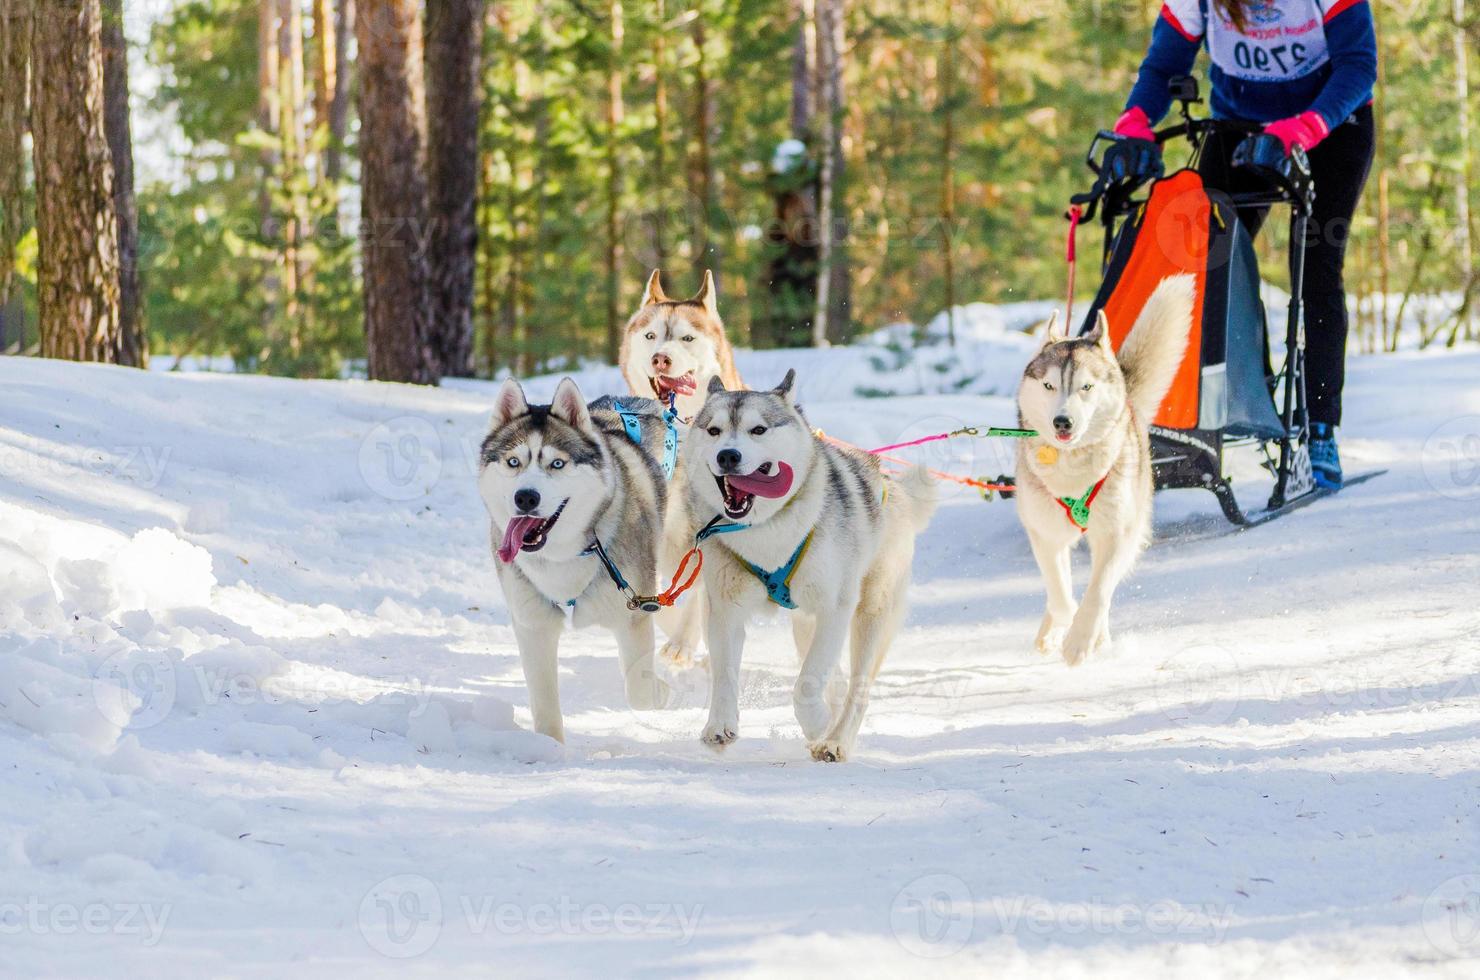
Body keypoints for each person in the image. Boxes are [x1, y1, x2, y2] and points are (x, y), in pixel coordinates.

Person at [1114, 0, 1377, 489]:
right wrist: (1135, 119)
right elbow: (1162, 66)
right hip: (1239, 128)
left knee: (1318, 268)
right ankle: (1222, 410)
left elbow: (1359, 66)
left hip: (1332, 127)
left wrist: (1306, 128)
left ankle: (1319, 428)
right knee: (1206, 268)